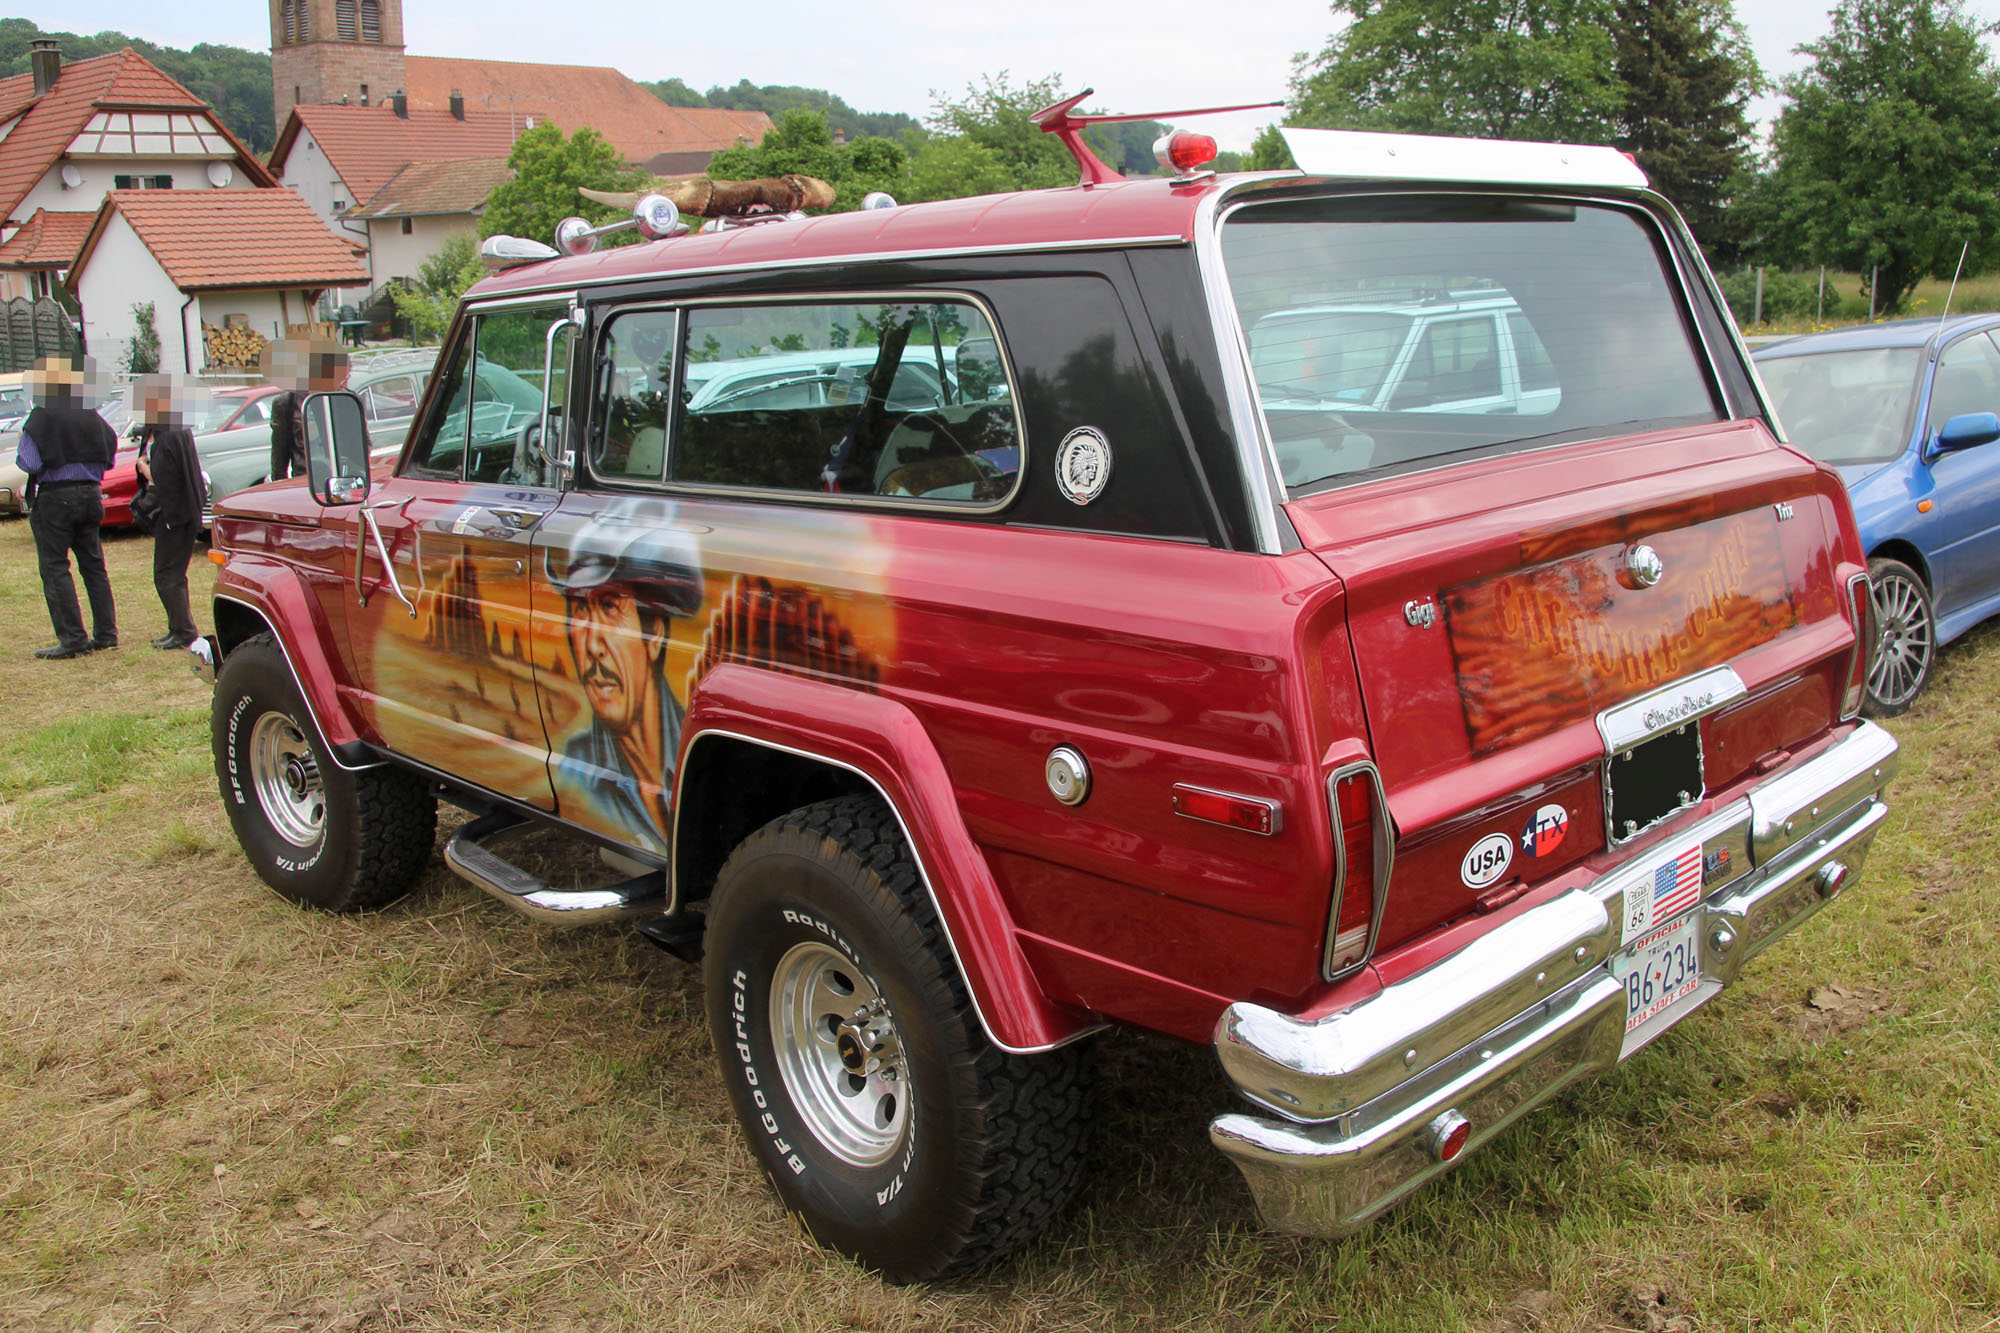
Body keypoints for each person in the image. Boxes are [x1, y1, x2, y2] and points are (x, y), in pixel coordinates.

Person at [544, 498, 705, 853]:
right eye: (580, 608)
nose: (593, 644)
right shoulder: (577, 769)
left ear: (655, 635)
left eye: (610, 607)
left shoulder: (704, 763)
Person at [20, 356, 117, 659]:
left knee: (55, 567)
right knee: (93, 567)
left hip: (55, 498)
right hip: (91, 495)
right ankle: (106, 634)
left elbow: (29, 461)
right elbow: (111, 449)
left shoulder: (40, 417)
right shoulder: (90, 414)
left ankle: (73, 638)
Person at [133, 376, 205, 649]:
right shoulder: (180, 430)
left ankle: (183, 631)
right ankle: (178, 627)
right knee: (174, 574)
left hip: (174, 514)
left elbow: (162, 479)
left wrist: (144, 467)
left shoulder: (165, 439)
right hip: (188, 510)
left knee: (166, 575)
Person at [268, 337, 351, 481]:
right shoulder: (286, 404)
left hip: (343, 480)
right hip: (305, 483)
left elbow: (362, 449)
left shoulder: (347, 401)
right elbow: (279, 460)